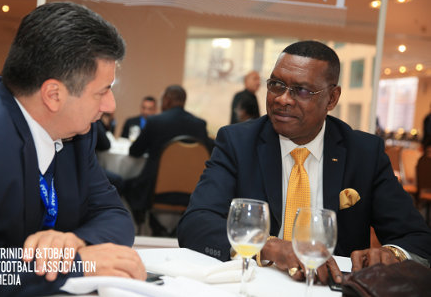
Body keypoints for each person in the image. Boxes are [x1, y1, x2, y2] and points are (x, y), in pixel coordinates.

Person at [0, 2, 145, 296]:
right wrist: (74, 264)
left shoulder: (79, 133)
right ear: (53, 95)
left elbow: (114, 214)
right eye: (102, 91)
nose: (110, 106)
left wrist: (74, 242)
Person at [178, 41, 431, 286]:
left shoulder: (364, 154)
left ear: (332, 99)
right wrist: (270, 247)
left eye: (301, 90)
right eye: (276, 85)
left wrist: (392, 254)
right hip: (254, 286)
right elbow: (196, 223)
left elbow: (418, 238)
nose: (282, 99)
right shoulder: (238, 142)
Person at [124, 85, 212, 228]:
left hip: (154, 190)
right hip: (190, 191)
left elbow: (134, 151)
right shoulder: (199, 124)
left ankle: (144, 226)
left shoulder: (155, 121)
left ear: (167, 100)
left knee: (124, 184)